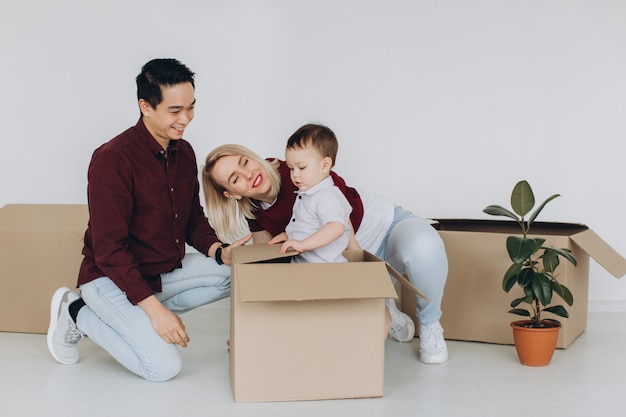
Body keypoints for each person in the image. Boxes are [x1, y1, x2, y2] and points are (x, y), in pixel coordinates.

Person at [46, 58, 250, 382]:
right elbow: (109, 250)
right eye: (175, 110)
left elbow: (192, 218)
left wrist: (218, 251)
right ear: (146, 106)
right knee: (163, 368)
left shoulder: (184, 153)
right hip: (108, 279)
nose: (186, 119)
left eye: (191, 107)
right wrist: (157, 313)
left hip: (159, 273)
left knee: (237, 271)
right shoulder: (112, 159)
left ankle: (134, 315)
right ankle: (77, 312)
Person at [202, 124, 450, 364]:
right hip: (337, 260)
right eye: (235, 179)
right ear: (232, 194)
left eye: (245, 162)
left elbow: (347, 235)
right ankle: (386, 303)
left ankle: (429, 324)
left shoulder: (298, 170)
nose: (249, 175)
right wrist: (249, 331)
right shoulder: (254, 209)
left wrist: (369, 293)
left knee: (424, 247)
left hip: (380, 230)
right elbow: (269, 269)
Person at [269, 124, 353, 263]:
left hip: (324, 268)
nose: (295, 174)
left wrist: (302, 245)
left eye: (301, 167)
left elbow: (336, 227)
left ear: (325, 165)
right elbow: (308, 226)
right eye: (291, 168)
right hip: (305, 266)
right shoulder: (307, 193)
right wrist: (290, 236)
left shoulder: (327, 196)